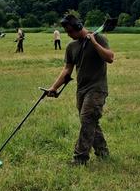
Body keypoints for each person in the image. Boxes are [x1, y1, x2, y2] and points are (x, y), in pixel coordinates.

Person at [46, 14, 114, 165]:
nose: (68, 35)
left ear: (78, 27)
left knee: (87, 119)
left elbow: (110, 58)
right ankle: (103, 152)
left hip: (97, 88)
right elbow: (67, 70)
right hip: (81, 90)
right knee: (90, 122)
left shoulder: (99, 38)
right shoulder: (72, 47)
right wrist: (54, 87)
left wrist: (95, 43)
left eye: (70, 31)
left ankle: (80, 158)